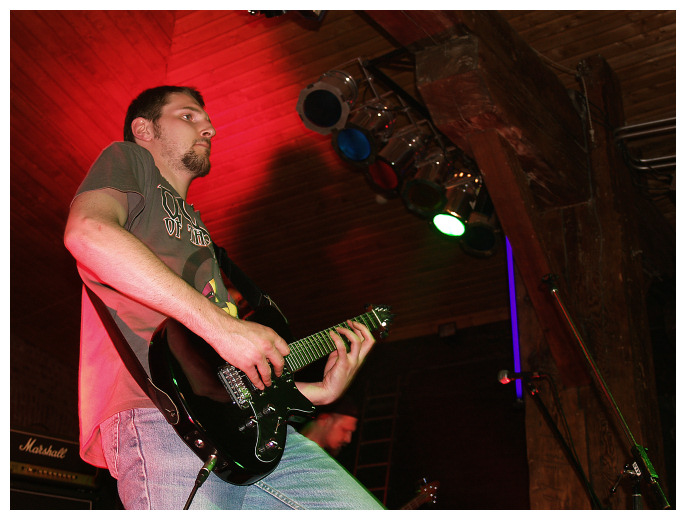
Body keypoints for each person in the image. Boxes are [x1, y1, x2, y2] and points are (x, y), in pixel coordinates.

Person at [63, 85, 383, 510]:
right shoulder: (128, 159)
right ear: (144, 129)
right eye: (188, 116)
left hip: (244, 435)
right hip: (157, 412)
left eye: (207, 120)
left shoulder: (200, 232)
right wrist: (222, 326)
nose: (209, 128)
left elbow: (223, 379)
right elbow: (88, 232)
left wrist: (315, 393)